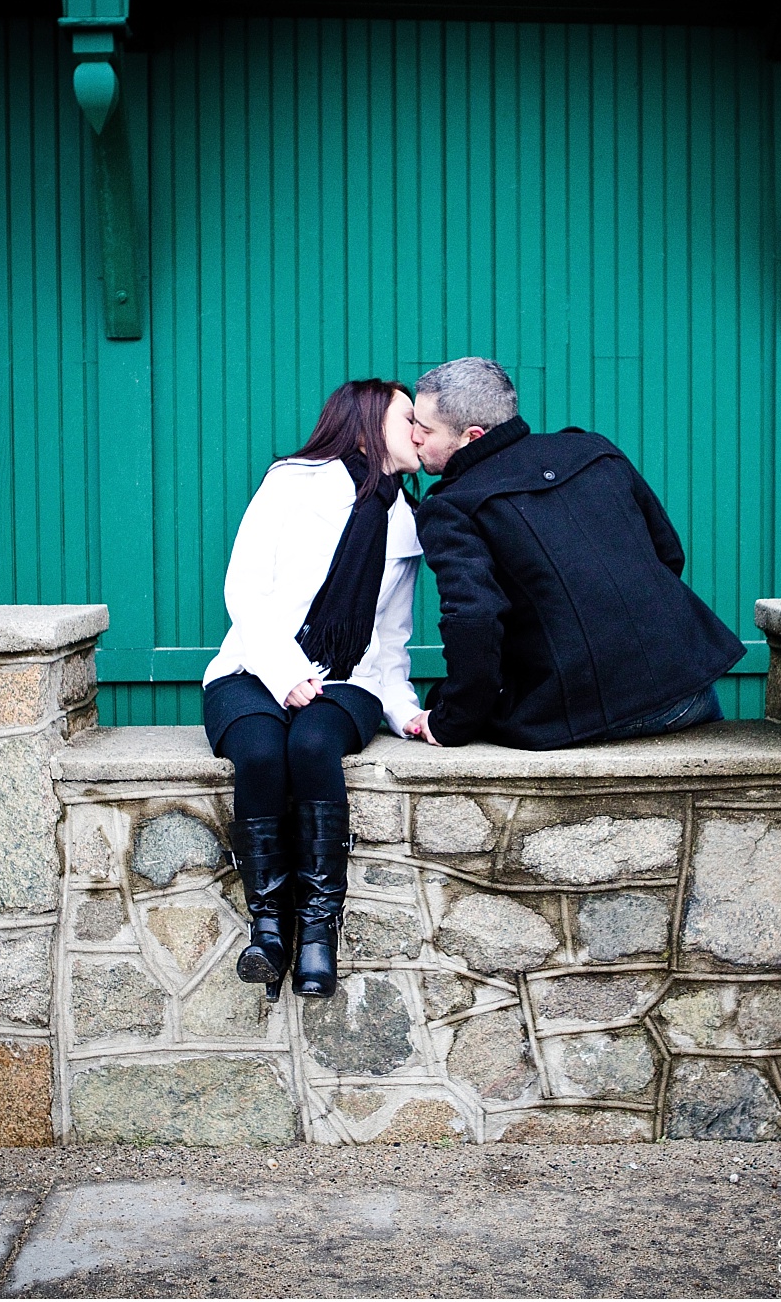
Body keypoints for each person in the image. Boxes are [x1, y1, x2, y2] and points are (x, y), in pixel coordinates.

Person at [203, 380, 425, 1001]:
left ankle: (319, 929)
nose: (418, 430)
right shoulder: (292, 484)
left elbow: (390, 636)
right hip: (251, 667)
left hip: (349, 679)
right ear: (368, 419)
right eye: (408, 417)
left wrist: (405, 713)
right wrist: (283, 671)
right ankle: (268, 926)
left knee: (312, 746)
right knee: (260, 751)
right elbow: (245, 587)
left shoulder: (402, 519)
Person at [408, 357, 746, 750]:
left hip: (583, 714)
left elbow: (475, 617)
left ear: (473, 436)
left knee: (442, 703)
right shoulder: (592, 449)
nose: (413, 435)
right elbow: (668, 555)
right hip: (689, 693)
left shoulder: (450, 506)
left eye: (424, 428)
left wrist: (451, 723)